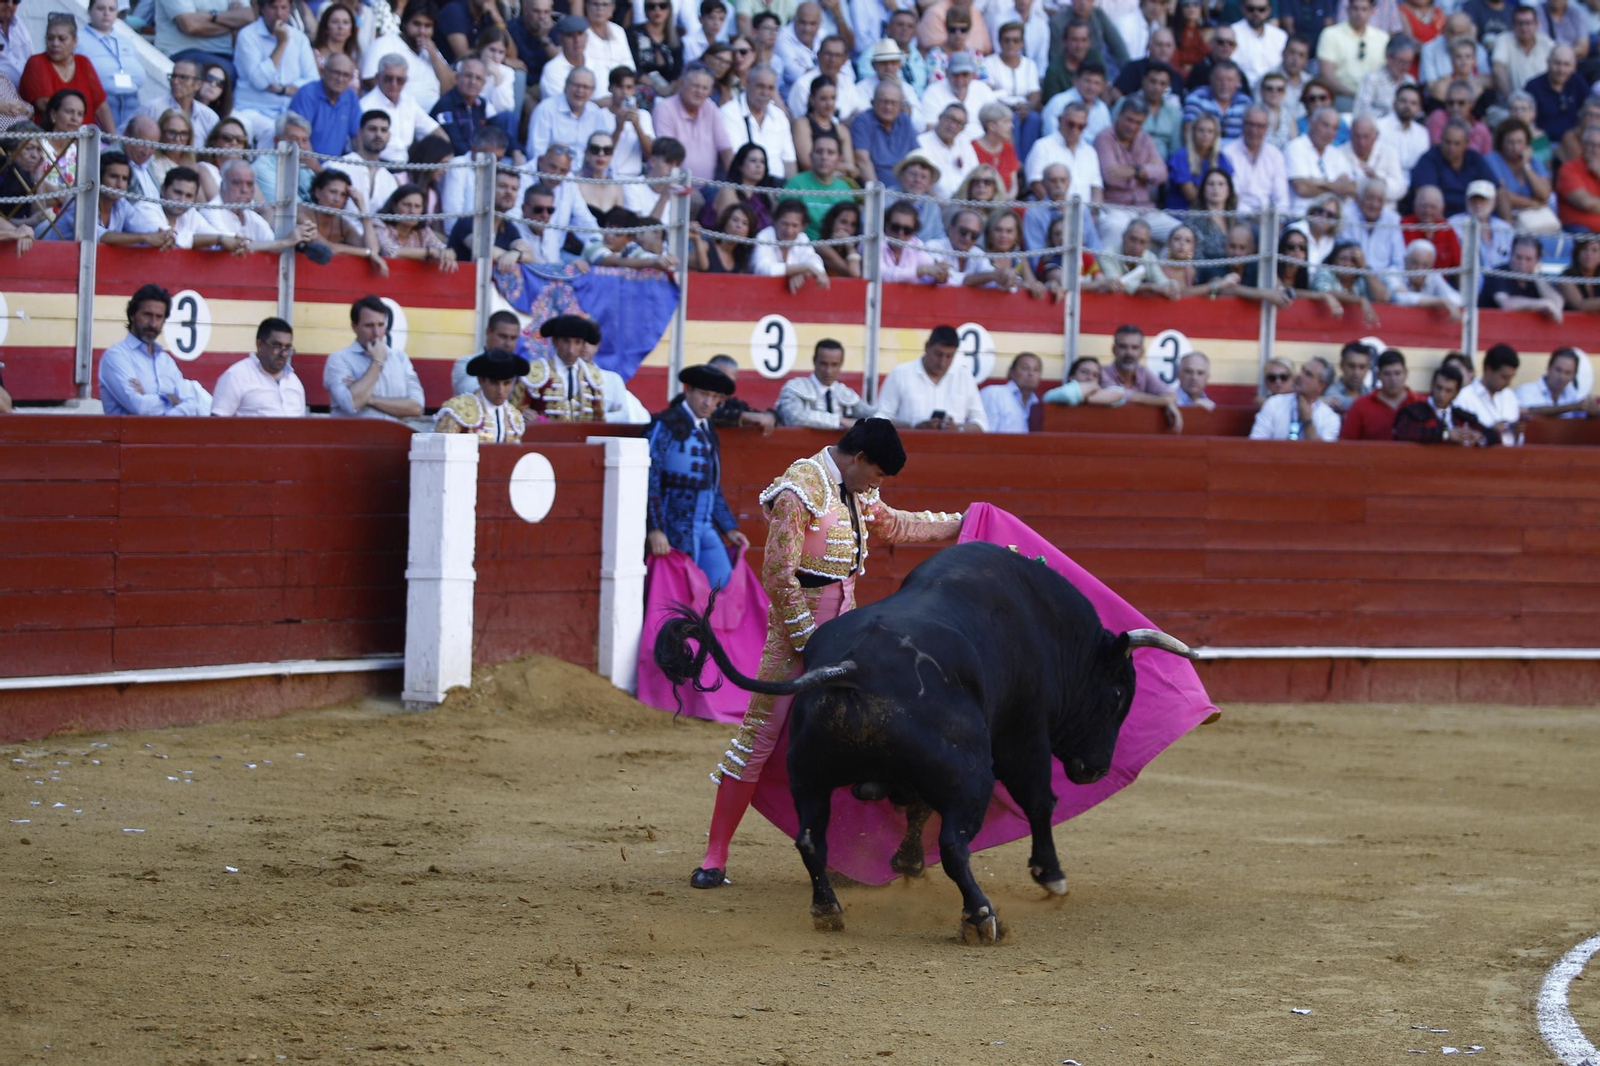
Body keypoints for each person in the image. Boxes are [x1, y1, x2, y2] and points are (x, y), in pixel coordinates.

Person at [690, 417, 963, 890]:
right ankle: (715, 856)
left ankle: (852, 856)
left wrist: (960, 525)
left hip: (848, 629)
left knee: (864, 738)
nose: (876, 487)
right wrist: (808, 643)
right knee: (757, 738)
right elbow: (778, 575)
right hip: (798, 636)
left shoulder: (856, 488)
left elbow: (893, 525)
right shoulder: (799, 491)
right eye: (876, 476)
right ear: (858, 459)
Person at [645, 362, 747, 593]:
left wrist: (729, 527)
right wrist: (655, 529)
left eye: (714, 397)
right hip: (674, 529)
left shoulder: (708, 430)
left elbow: (712, 487)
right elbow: (649, 478)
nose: (708, 403)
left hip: (705, 526)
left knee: (724, 587)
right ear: (688, 390)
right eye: (703, 394)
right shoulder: (666, 425)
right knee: (680, 594)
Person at [99, 284, 202, 416]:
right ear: (132, 315)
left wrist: (149, 398)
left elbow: (192, 405)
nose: (153, 323)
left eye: (159, 317)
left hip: (164, 436)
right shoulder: (116, 356)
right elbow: (138, 406)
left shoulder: (166, 361)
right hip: (128, 436)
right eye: (147, 315)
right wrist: (170, 399)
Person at [324, 294, 425, 422]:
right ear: (354, 327)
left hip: (393, 439)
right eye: (369, 326)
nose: (376, 332)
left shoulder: (400, 358)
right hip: (355, 440)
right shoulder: (339, 359)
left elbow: (417, 408)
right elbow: (352, 403)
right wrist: (377, 362)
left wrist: (370, 399)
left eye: (381, 324)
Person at [874, 325, 987, 430]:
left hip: (954, 448)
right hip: (907, 448)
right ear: (927, 347)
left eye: (949, 356)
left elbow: (981, 424)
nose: (943, 363)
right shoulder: (900, 373)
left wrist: (958, 429)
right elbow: (879, 419)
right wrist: (913, 427)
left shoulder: (965, 377)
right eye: (938, 354)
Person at [20, 14, 114, 133]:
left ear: (75, 42)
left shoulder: (83, 62)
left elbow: (101, 106)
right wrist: (75, 124)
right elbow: (44, 104)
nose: (55, 43)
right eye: (50, 38)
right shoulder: (36, 62)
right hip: (49, 137)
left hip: (87, 138)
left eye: (62, 39)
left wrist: (114, 140)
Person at [234, 0, 317, 118]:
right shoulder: (247, 36)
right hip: (253, 109)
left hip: (290, 111)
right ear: (262, 9)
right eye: (274, 8)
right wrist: (282, 43)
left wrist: (284, 89)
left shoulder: (300, 38)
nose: (279, 13)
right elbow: (260, 81)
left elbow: (312, 80)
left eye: (284, 8)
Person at [210, 317, 306, 418]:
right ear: (260, 344)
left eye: (287, 347)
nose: (283, 353)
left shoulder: (294, 382)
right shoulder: (236, 376)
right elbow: (216, 427)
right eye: (277, 346)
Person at [655, 66, 733, 181]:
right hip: (673, 183)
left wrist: (735, 183)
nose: (699, 92)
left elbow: (726, 148)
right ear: (682, 83)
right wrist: (686, 184)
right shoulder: (665, 108)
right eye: (695, 86)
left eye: (705, 88)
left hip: (709, 185)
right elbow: (667, 155)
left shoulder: (711, 107)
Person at [776, 339, 876, 428]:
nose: (829, 371)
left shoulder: (844, 393)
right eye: (824, 364)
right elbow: (794, 417)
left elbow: (871, 414)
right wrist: (840, 421)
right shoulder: (794, 388)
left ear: (841, 364)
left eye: (834, 365)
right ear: (814, 361)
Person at [434, 348, 529, 441]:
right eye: (494, 383)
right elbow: (441, 451)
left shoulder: (513, 416)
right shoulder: (458, 411)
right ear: (481, 380)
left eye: (507, 383)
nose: (501, 391)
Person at [81, 0, 144, 132]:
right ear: (89, 11)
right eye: (100, 8)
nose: (106, 13)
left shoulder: (126, 40)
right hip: (101, 104)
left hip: (132, 102)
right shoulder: (79, 40)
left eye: (111, 9)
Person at [1392, 364, 1496, 444]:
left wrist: (1479, 436)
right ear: (1432, 385)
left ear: (1456, 393)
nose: (1441, 394)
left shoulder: (1461, 416)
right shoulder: (1412, 411)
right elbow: (1404, 433)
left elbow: (1494, 435)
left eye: (1448, 390)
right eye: (1439, 388)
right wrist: (1444, 434)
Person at [1250, 356, 1341, 440]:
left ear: (1321, 386)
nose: (1300, 375)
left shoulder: (1330, 419)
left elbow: (1322, 454)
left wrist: (1308, 421)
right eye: (1302, 370)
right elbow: (1256, 444)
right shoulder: (1274, 404)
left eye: (1308, 374)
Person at [851, 80, 919, 189]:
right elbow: (862, 160)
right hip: (877, 189)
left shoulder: (904, 120)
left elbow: (916, 156)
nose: (888, 107)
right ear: (873, 103)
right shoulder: (862, 121)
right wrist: (878, 193)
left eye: (893, 103)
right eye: (884, 102)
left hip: (905, 189)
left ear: (900, 106)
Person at [289, 51, 361, 156]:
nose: (340, 79)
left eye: (346, 75)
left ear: (351, 78)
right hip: (305, 164)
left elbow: (357, 136)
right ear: (323, 72)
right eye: (336, 73)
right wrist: (319, 170)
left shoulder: (350, 97)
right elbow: (300, 140)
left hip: (334, 165)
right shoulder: (307, 94)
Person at [750, 197, 829, 291]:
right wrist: (804, 268)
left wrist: (803, 273)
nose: (789, 231)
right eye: (785, 224)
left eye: (795, 225)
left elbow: (814, 261)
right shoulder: (764, 236)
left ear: (803, 227)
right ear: (775, 221)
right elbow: (763, 270)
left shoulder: (802, 238)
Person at [1479, 235, 1564, 323]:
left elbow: (1557, 303)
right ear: (1511, 255)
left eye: (1528, 259)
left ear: (1537, 261)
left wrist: (1537, 277)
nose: (1522, 263)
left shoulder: (1537, 277)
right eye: (1518, 257)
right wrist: (1544, 303)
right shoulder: (1498, 273)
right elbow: (1507, 304)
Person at [1454, 342, 1524, 444]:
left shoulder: (1510, 396)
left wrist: (1517, 433)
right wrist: (1489, 432)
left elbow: (1518, 442)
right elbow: (1462, 440)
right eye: (1504, 377)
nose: (1509, 382)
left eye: (1511, 377)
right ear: (1489, 369)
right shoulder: (1464, 397)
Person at [450, 310, 525, 396]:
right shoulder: (466, 363)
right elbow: (475, 394)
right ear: (488, 332)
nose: (508, 344)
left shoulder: (520, 369)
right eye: (503, 336)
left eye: (513, 338)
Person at [1391, 238, 1464, 318]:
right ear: (1405, 261)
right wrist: (1440, 301)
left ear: (1431, 267)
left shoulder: (1433, 276)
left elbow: (1457, 299)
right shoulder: (1393, 272)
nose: (1419, 269)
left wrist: (1444, 301)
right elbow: (1400, 298)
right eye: (1415, 263)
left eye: (1425, 265)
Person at [980, 352, 1043, 432]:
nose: (1031, 374)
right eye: (1025, 368)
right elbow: (984, 436)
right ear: (1012, 372)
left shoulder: (1036, 403)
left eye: (1036, 370)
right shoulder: (994, 394)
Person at [1556, 127, 1600, 233]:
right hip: (1580, 231)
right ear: (1582, 145)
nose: (1595, 150)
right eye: (1591, 145)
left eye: (1599, 146)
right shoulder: (1569, 169)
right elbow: (1586, 203)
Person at [1322, 339, 1375, 413]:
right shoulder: (1328, 392)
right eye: (1351, 366)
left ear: (1368, 368)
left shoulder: (1370, 394)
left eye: (1362, 367)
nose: (1356, 372)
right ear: (1341, 365)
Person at [1558, 238, 1600, 313]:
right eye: (1584, 249)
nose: (1589, 254)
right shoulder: (1566, 277)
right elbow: (1580, 305)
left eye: (1594, 250)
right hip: (1571, 324)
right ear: (1577, 253)